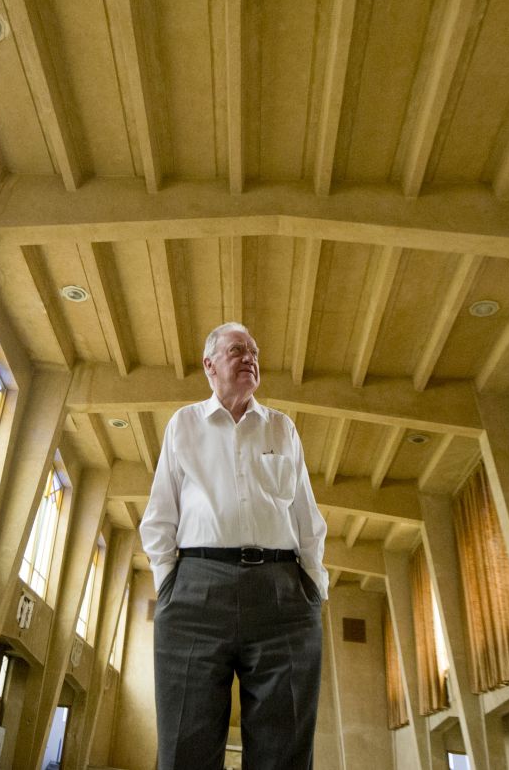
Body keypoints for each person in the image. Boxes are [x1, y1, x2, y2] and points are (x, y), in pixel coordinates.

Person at [139, 322, 329, 769]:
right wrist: (169, 586)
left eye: (255, 351)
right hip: (195, 593)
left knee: (284, 748)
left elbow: (306, 515)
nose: (250, 358)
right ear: (209, 365)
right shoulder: (184, 424)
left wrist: (312, 587)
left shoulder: (282, 429)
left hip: (283, 595)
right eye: (237, 350)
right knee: (186, 742)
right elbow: (160, 515)